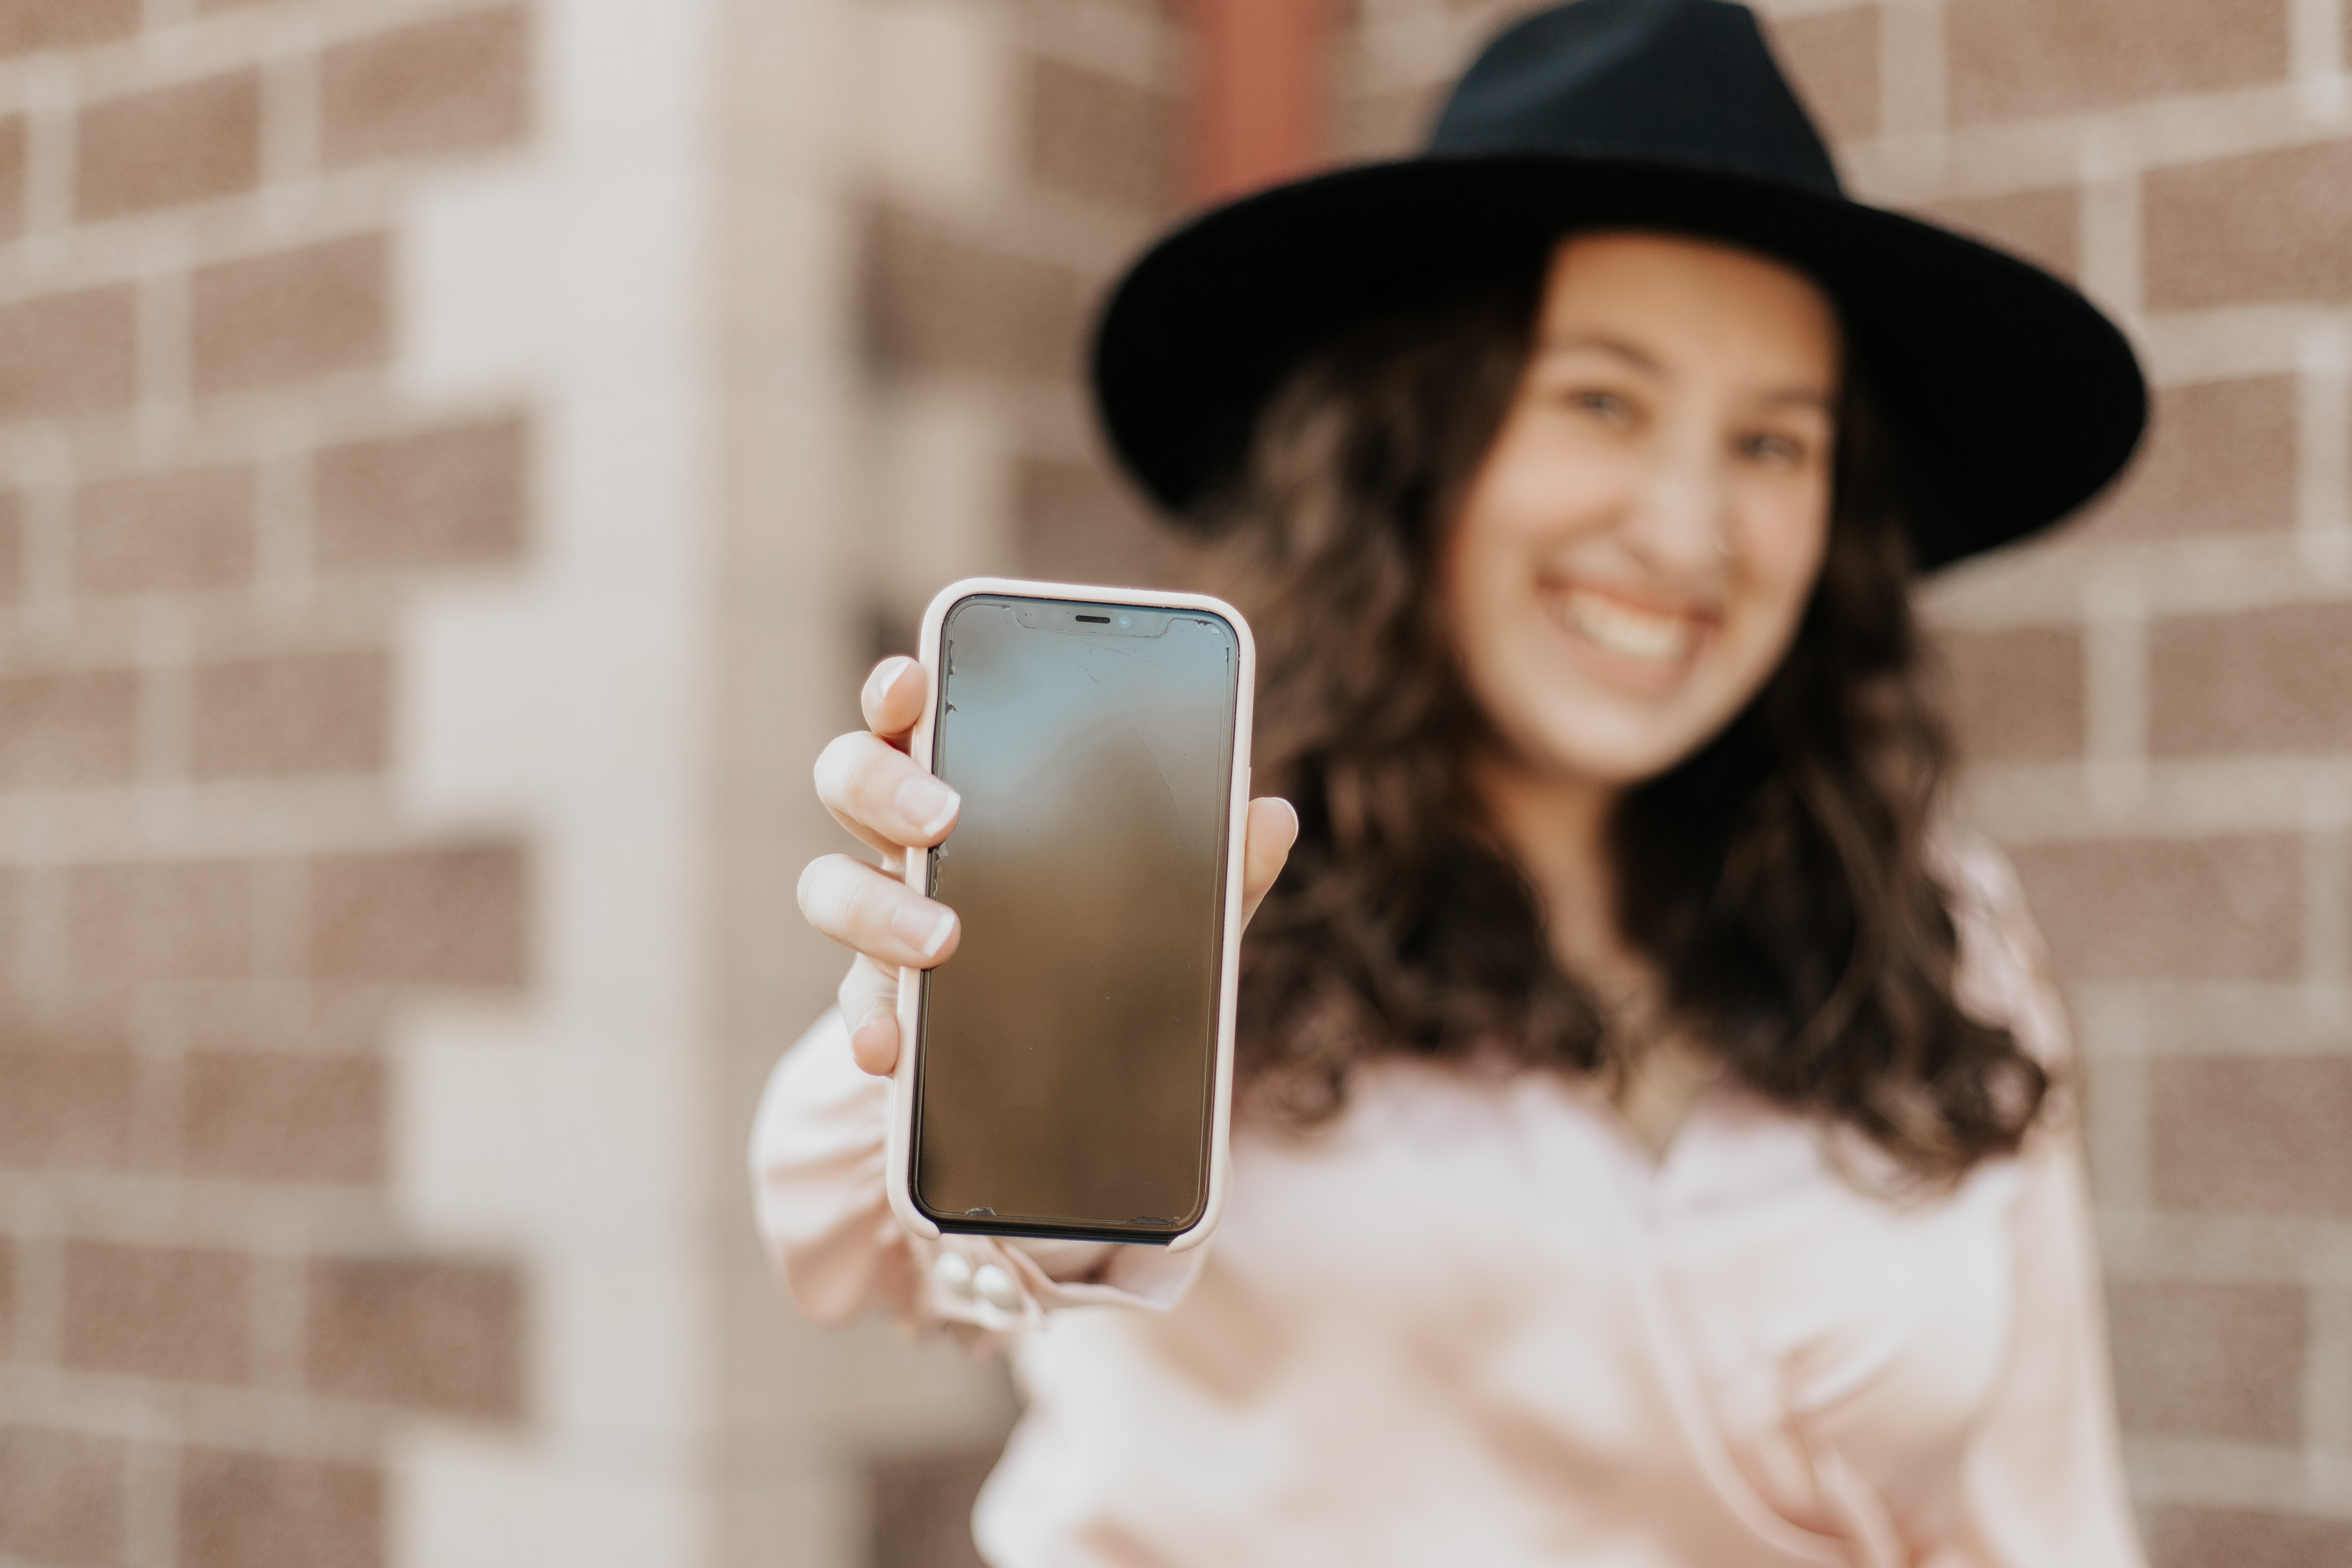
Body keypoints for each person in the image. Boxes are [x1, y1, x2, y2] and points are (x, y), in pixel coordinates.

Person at [765, 1, 2151, 1563]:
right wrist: (947, 1004)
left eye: (1774, 445)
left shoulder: (1931, 913)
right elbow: (863, 1244)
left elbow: (2042, 1502)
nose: (1690, 531)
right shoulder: (1207, 858)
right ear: (1417, 446)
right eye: (1603, 402)